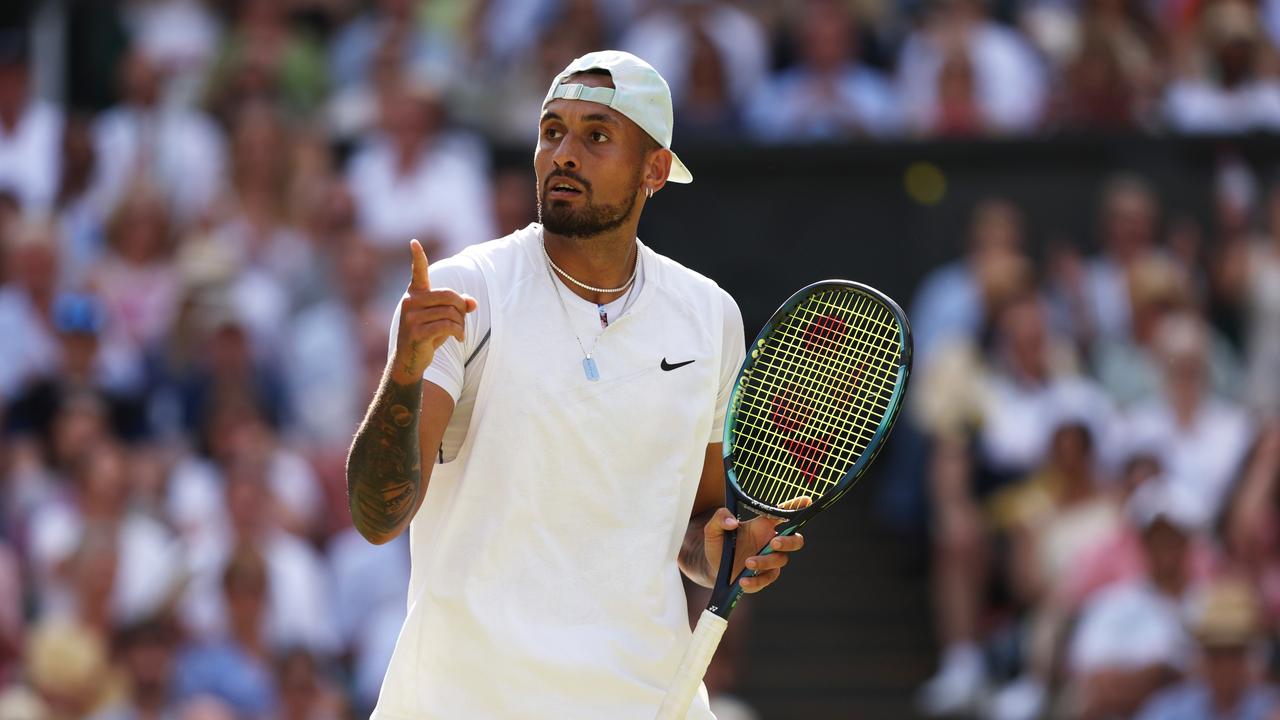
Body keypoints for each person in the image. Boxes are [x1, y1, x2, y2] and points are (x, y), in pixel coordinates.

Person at [345, 50, 807, 718]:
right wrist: (404, 375)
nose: (563, 153)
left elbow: (694, 527)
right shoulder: (462, 291)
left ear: (654, 169)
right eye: (552, 130)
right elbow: (376, 516)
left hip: (642, 702)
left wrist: (722, 551)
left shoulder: (711, 315)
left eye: (596, 135)